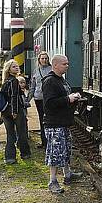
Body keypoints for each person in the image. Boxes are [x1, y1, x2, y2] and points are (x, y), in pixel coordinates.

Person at [42, 54, 83, 193]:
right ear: (55, 65)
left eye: (67, 63)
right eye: (64, 64)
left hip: (63, 122)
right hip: (54, 124)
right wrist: (68, 99)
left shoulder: (61, 80)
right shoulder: (50, 81)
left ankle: (68, 174)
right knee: (55, 153)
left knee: (65, 150)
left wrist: (74, 98)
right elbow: (49, 104)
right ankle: (52, 181)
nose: (67, 66)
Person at [0, 59, 31, 164]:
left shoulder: (4, 81)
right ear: (9, 69)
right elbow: (13, 97)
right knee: (21, 132)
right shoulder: (14, 81)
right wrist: (15, 111)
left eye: (17, 66)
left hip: (5, 111)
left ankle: (10, 157)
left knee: (10, 134)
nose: (17, 67)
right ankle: (25, 153)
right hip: (15, 110)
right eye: (14, 66)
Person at [28, 51, 52, 148]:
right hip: (38, 98)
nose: (44, 60)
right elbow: (32, 86)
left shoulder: (52, 70)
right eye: (42, 58)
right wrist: (28, 99)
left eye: (46, 58)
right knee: (41, 119)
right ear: (39, 60)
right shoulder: (36, 71)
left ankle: (50, 141)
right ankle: (44, 142)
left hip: (49, 98)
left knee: (49, 120)